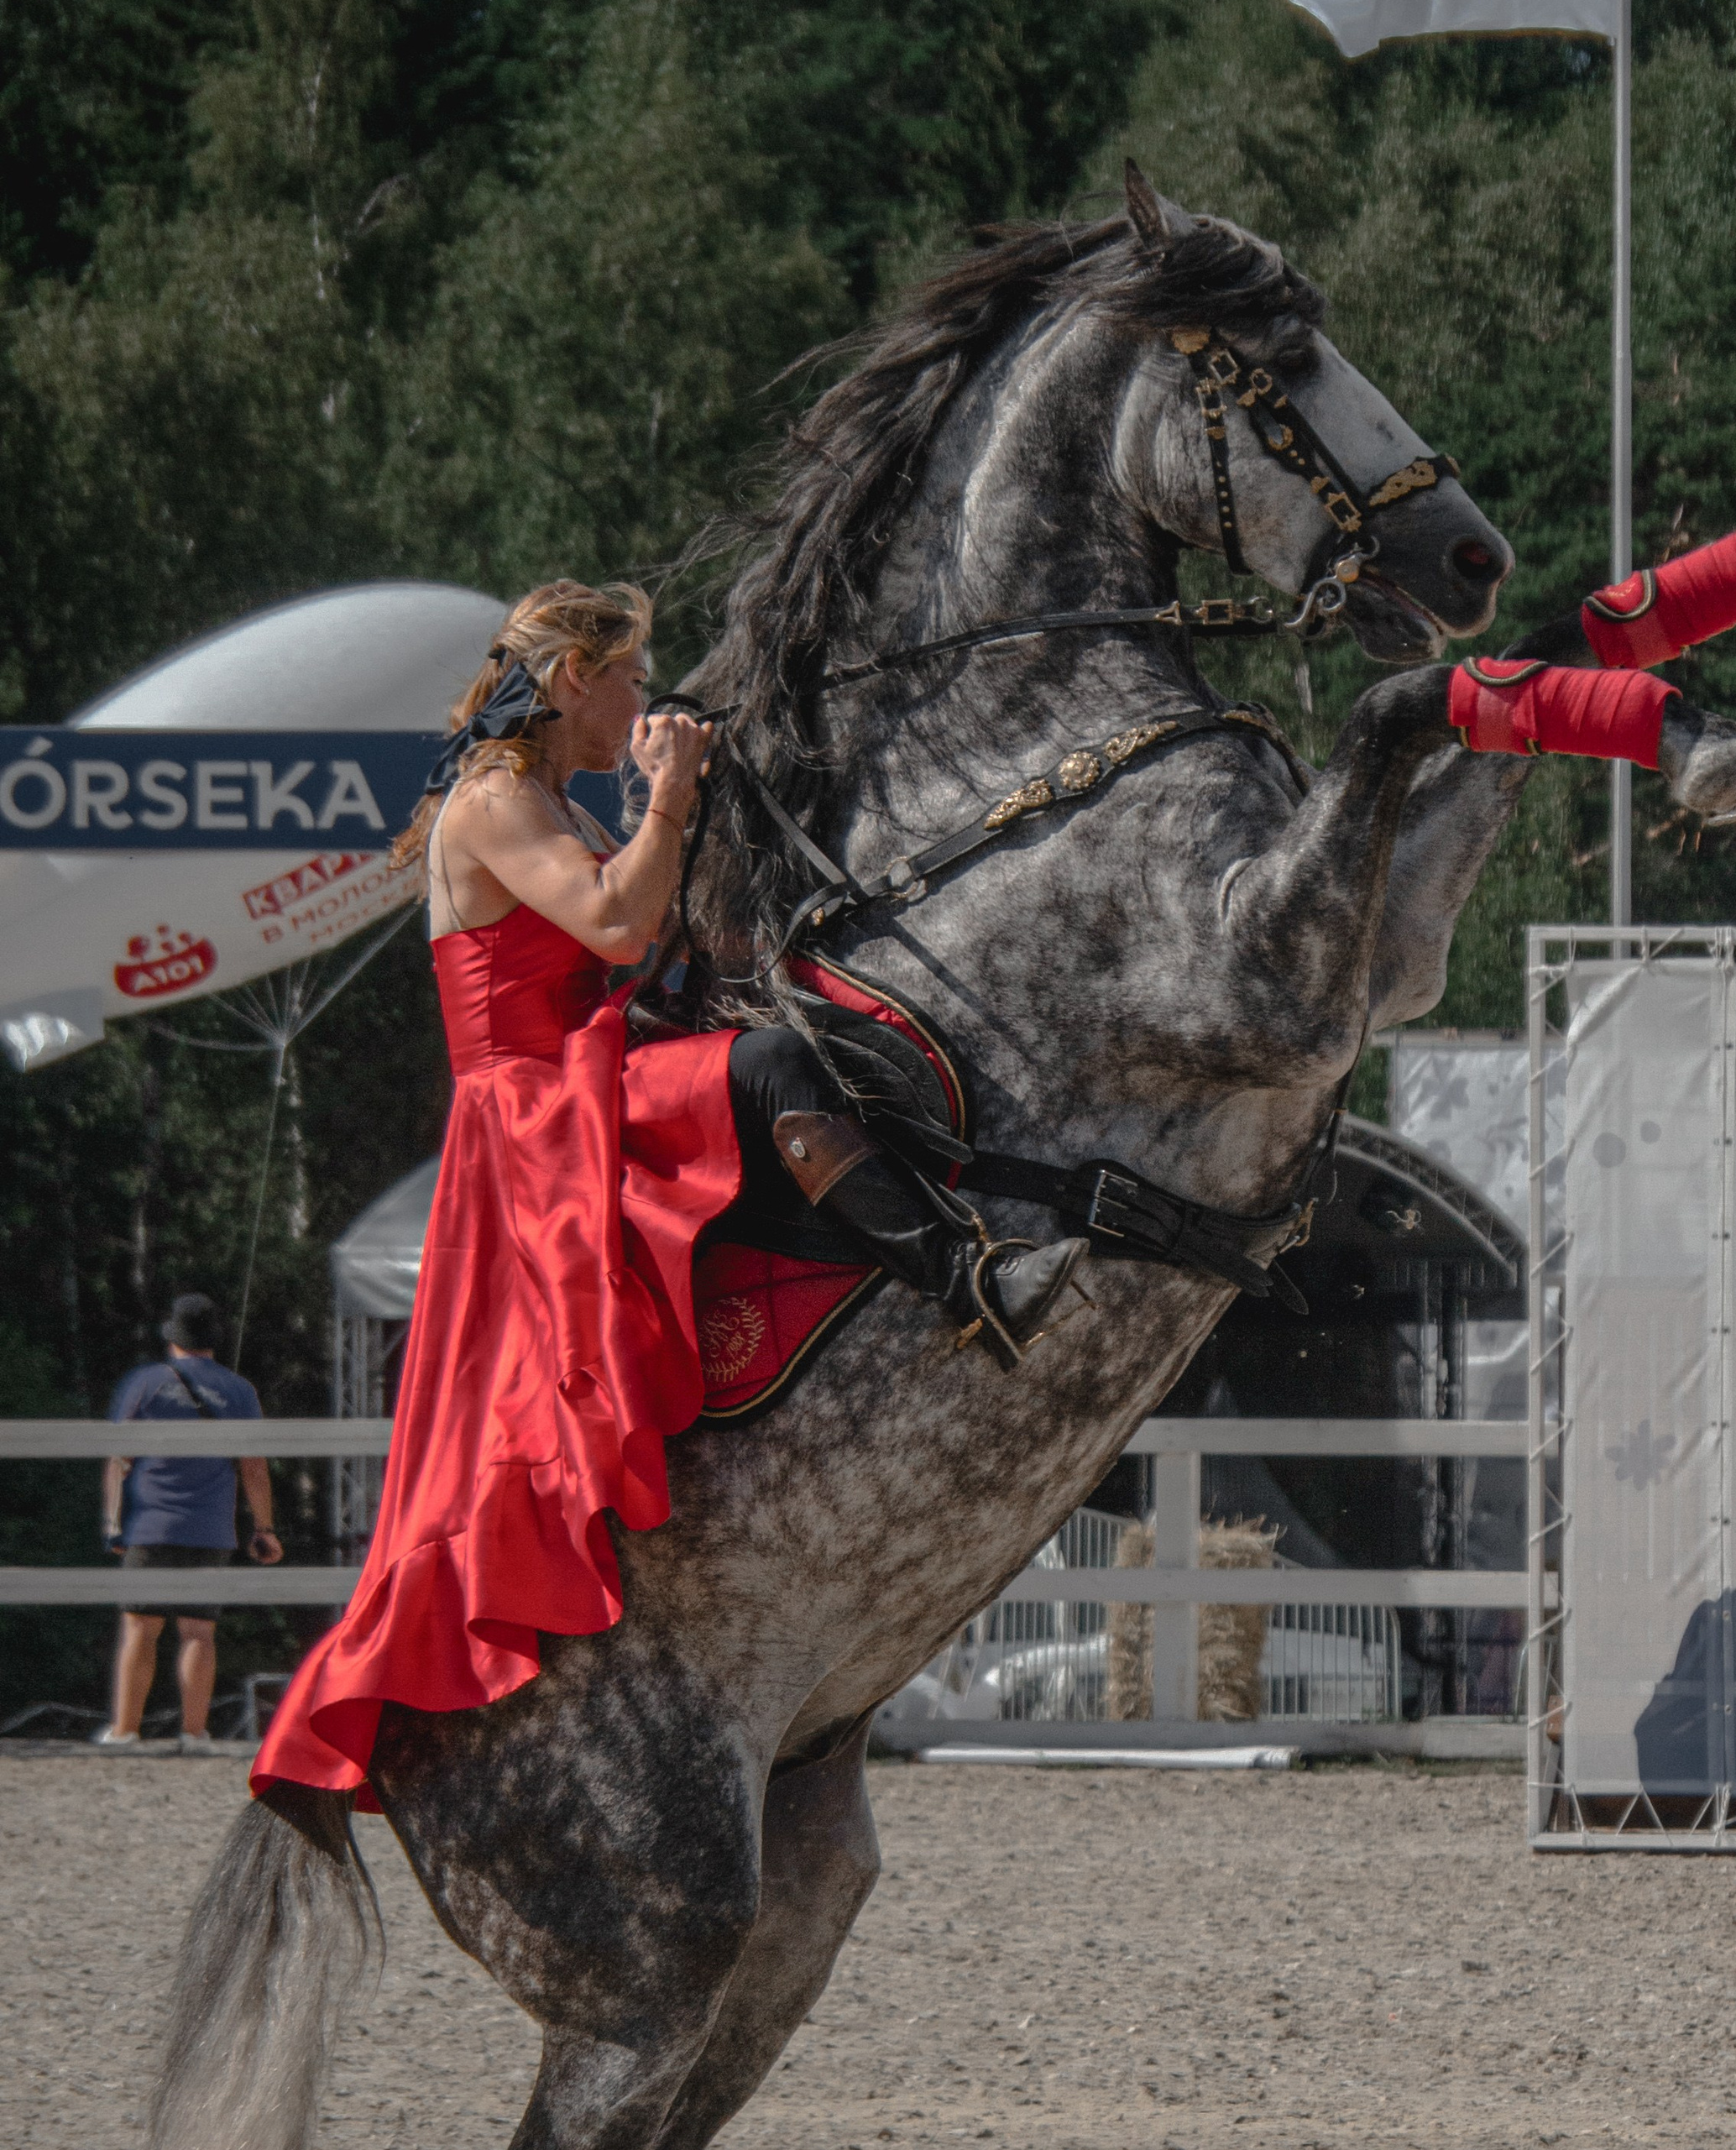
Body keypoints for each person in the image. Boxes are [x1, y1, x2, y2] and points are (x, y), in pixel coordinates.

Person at [251, 578, 1082, 1802]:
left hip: (583, 1074)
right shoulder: (493, 800)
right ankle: (968, 1276)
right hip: (534, 1110)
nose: (645, 700)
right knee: (775, 1065)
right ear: (573, 679)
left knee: (801, 1066)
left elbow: (645, 935)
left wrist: (680, 821)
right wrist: (670, 797)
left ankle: (908, 1297)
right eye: (632, 677)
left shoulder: (549, 799)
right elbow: (614, 922)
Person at [101, 1294, 283, 1750]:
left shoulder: (145, 1383)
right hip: (211, 1529)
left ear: (173, 1338)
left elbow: (118, 1459)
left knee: (140, 1627)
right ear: (212, 1339)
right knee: (199, 1631)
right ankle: (195, 1733)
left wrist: (113, 1524)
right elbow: (254, 1466)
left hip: (151, 1526)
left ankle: (125, 1732)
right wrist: (264, 1528)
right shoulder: (239, 1390)